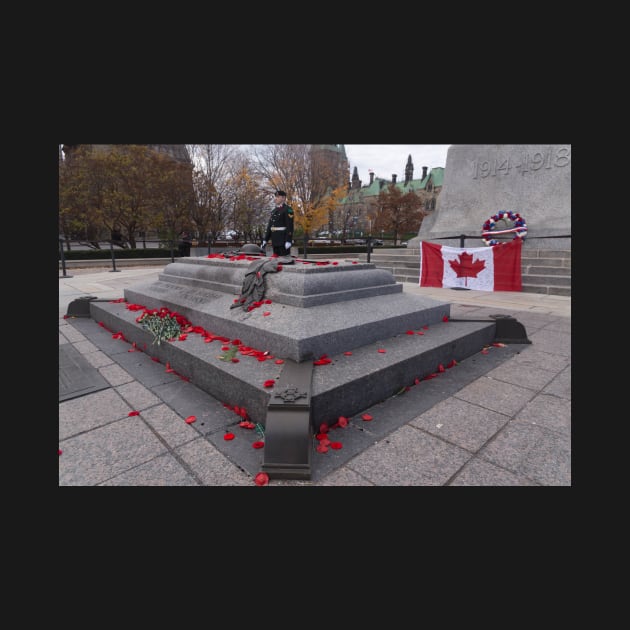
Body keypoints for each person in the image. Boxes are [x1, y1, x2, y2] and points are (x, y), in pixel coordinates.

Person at [262, 190, 294, 256]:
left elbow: (290, 226)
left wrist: (288, 240)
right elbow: (270, 226)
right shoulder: (274, 211)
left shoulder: (288, 209)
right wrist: (265, 239)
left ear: (283, 198)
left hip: (283, 240)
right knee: (275, 261)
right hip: (275, 240)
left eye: (278, 196)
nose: (275, 198)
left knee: (284, 261)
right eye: (275, 196)